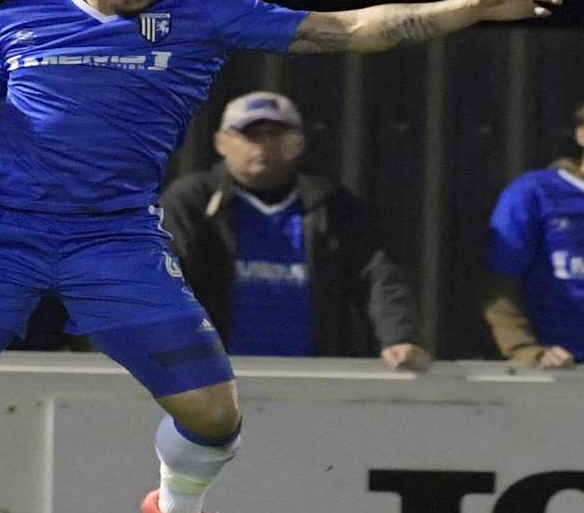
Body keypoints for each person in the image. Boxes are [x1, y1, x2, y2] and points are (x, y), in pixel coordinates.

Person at [0, 0, 563, 513]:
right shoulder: (22, 14)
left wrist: (469, 8)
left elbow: (349, 28)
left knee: (214, 416)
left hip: (112, 239)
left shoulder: (203, 15)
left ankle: (176, 511)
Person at [158, 91, 430, 368]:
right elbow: (163, 274)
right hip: (215, 375)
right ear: (221, 142)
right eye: (250, 135)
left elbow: (377, 274)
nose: (263, 145)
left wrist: (400, 336)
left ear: (298, 143)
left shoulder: (332, 206)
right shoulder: (191, 202)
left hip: (314, 378)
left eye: (275, 135)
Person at [482, 83, 584, 368]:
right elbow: (500, 282)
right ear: (581, 133)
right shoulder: (535, 192)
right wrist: (524, 350)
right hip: (559, 370)